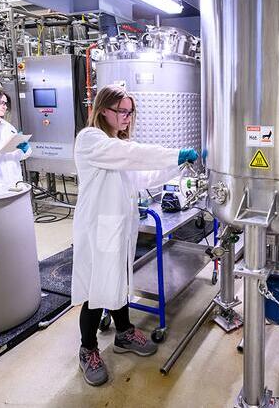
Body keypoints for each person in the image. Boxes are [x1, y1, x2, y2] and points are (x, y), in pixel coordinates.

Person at [72, 85, 198, 386]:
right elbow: (133, 155)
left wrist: (178, 164)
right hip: (98, 226)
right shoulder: (91, 139)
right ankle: (87, 349)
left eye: (130, 111)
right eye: (122, 111)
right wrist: (173, 153)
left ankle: (124, 333)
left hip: (119, 226)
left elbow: (144, 176)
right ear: (103, 110)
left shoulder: (118, 143)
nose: (127, 117)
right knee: (96, 289)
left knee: (119, 281)